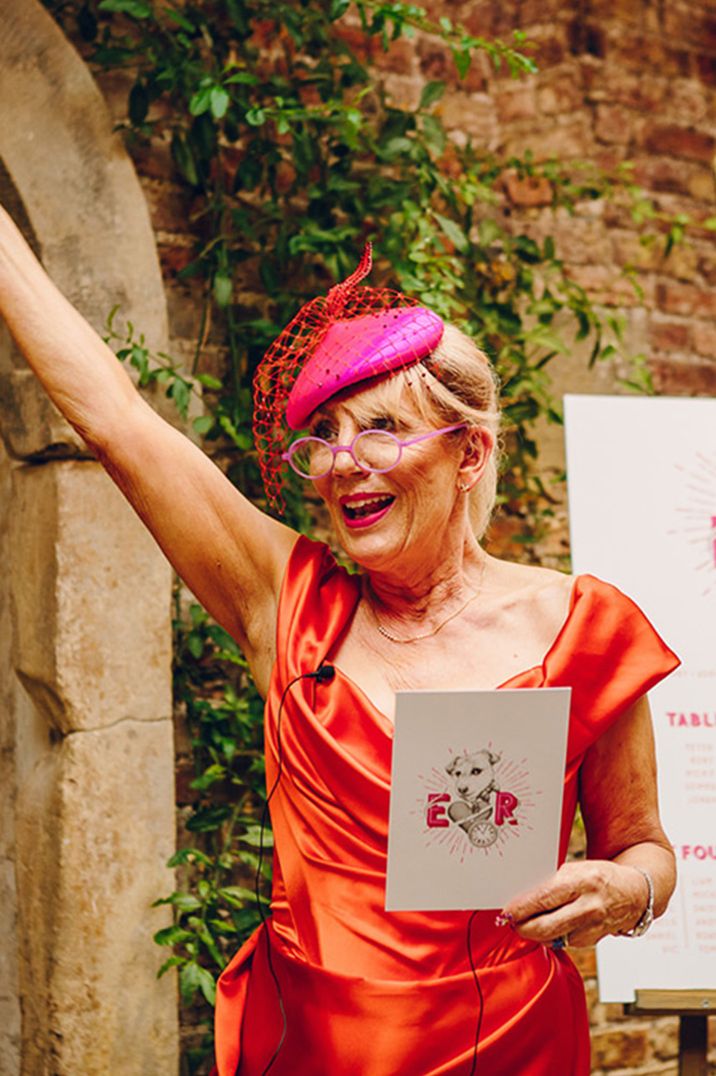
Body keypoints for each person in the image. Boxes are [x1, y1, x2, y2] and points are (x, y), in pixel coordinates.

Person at [0, 211, 678, 1075]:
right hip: (312, 1048)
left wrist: (628, 889)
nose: (343, 461)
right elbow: (118, 423)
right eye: (325, 438)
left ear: (469, 454)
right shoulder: (285, 600)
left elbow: (645, 845)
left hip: (511, 1047)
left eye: (381, 432)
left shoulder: (584, 631)